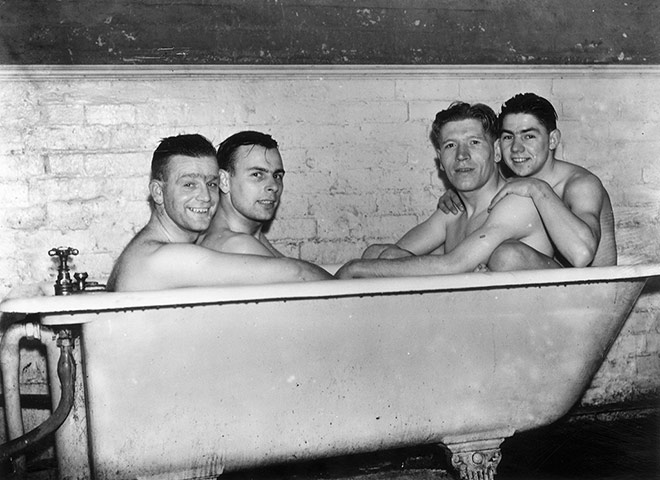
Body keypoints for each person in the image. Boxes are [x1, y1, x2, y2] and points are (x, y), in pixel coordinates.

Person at [335, 101, 554, 279]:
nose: (461, 155)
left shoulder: (516, 201)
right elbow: (387, 258)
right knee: (378, 253)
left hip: (540, 318)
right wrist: (367, 265)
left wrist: (355, 268)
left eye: (474, 142)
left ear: (497, 151)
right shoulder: (453, 211)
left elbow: (453, 265)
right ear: (440, 160)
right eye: (451, 145)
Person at [107, 134, 334, 292]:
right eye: (189, 185)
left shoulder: (156, 247)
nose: (206, 197)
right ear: (158, 192)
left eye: (212, 184)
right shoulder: (162, 258)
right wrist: (349, 277)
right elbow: (295, 273)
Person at [436, 93, 617, 269]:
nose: (516, 148)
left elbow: (582, 254)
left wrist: (538, 188)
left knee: (507, 255)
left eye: (528, 136)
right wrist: (460, 192)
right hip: (546, 293)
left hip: (595, 293)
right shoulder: (515, 181)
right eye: (508, 137)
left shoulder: (580, 185)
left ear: (553, 140)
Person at [197, 131, 285, 257]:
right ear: (224, 181)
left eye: (277, 176)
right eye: (257, 175)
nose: (274, 186)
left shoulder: (252, 236)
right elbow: (301, 274)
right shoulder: (237, 245)